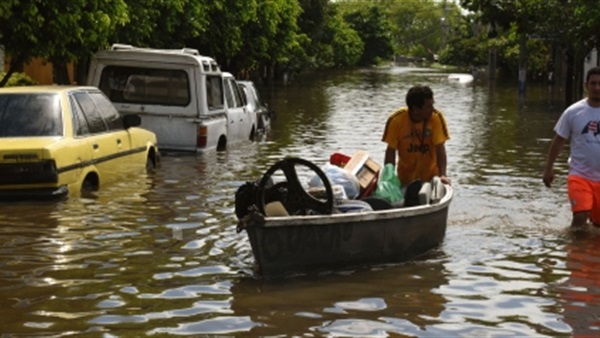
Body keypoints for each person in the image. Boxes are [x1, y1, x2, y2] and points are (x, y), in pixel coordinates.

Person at [543, 66, 600, 228]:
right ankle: (574, 251)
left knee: (597, 227)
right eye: (593, 83)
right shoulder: (573, 112)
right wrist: (548, 169)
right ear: (586, 85)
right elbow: (559, 140)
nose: (597, 88)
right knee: (580, 217)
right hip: (580, 175)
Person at [382, 85, 451, 187]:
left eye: (432, 105)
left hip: (431, 178)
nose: (432, 109)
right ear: (415, 109)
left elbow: (440, 148)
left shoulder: (436, 118)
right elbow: (391, 150)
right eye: (428, 106)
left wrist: (443, 175)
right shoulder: (396, 120)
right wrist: (389, 177)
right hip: (405, 179)